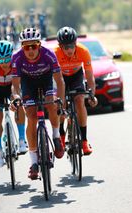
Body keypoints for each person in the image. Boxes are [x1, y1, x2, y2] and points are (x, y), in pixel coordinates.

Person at [10, 28, 65, 180]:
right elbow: (15, 85)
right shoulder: (17, 58)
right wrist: (15, 97)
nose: (30, 50)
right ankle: (34, 163)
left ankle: (55, 136)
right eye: (27, 47)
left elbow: (59, 81)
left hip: (46, 81)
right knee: (32, 118)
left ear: (39, 45)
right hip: (28, 84)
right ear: (22, 47)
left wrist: (60, 101)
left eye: (33, 46)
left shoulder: (49, 55)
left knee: (52, 104)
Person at [0, 40, 27, 167]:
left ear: (11, 56)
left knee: (19, 106)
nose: (4, 63)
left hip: (12, 88)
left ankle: (22, 139)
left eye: (6, 59)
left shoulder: (16, 62)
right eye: (0, 60)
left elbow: (16, 86)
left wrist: (16, 98)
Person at [54, 26, 98, 155]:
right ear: (60, 46)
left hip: (76, 75)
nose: (69, 50)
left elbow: (90, 76)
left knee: (79, 100)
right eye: (65, 47)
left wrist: (91, 95)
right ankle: (61, 136)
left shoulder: (83, 51)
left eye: (72, 46)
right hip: (60, 77)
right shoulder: (55, 54)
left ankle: (84, 141)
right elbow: (53, 78)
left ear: (76, 43)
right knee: (61, 104)